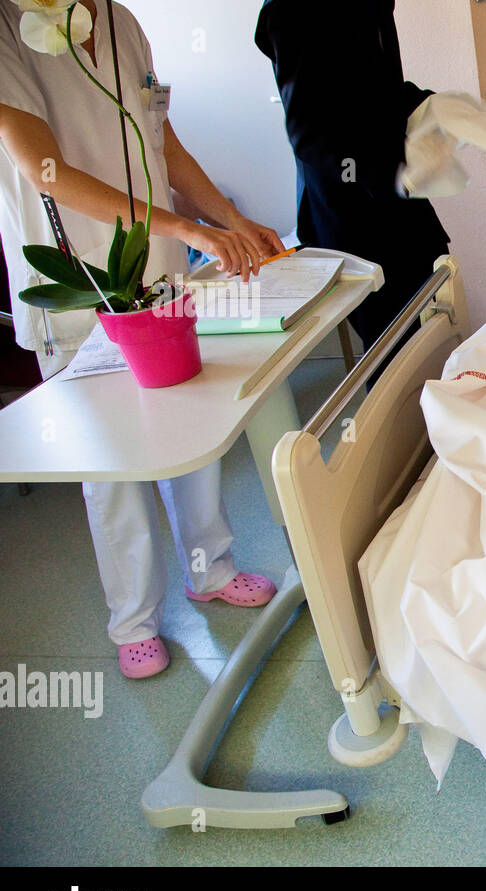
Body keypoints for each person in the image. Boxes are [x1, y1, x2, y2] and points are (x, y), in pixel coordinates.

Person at [0, 1, 284, 678]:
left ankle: (210, 571)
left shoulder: (122, 20)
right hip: (77, 281)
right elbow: (46, 171)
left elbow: (166, 145)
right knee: (109, 464)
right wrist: (187, 230)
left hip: (156, 274)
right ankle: (133, 618)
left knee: (191, 426)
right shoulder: (8, 27)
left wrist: (231, 219)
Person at [255, 0, 451, 354]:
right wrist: (387, 173)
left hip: (402, 211)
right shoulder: (292, 9)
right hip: (356, 223)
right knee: (396, 358)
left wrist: (433, 107)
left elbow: (375, 90)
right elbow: (310, 134)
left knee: (438, 328)